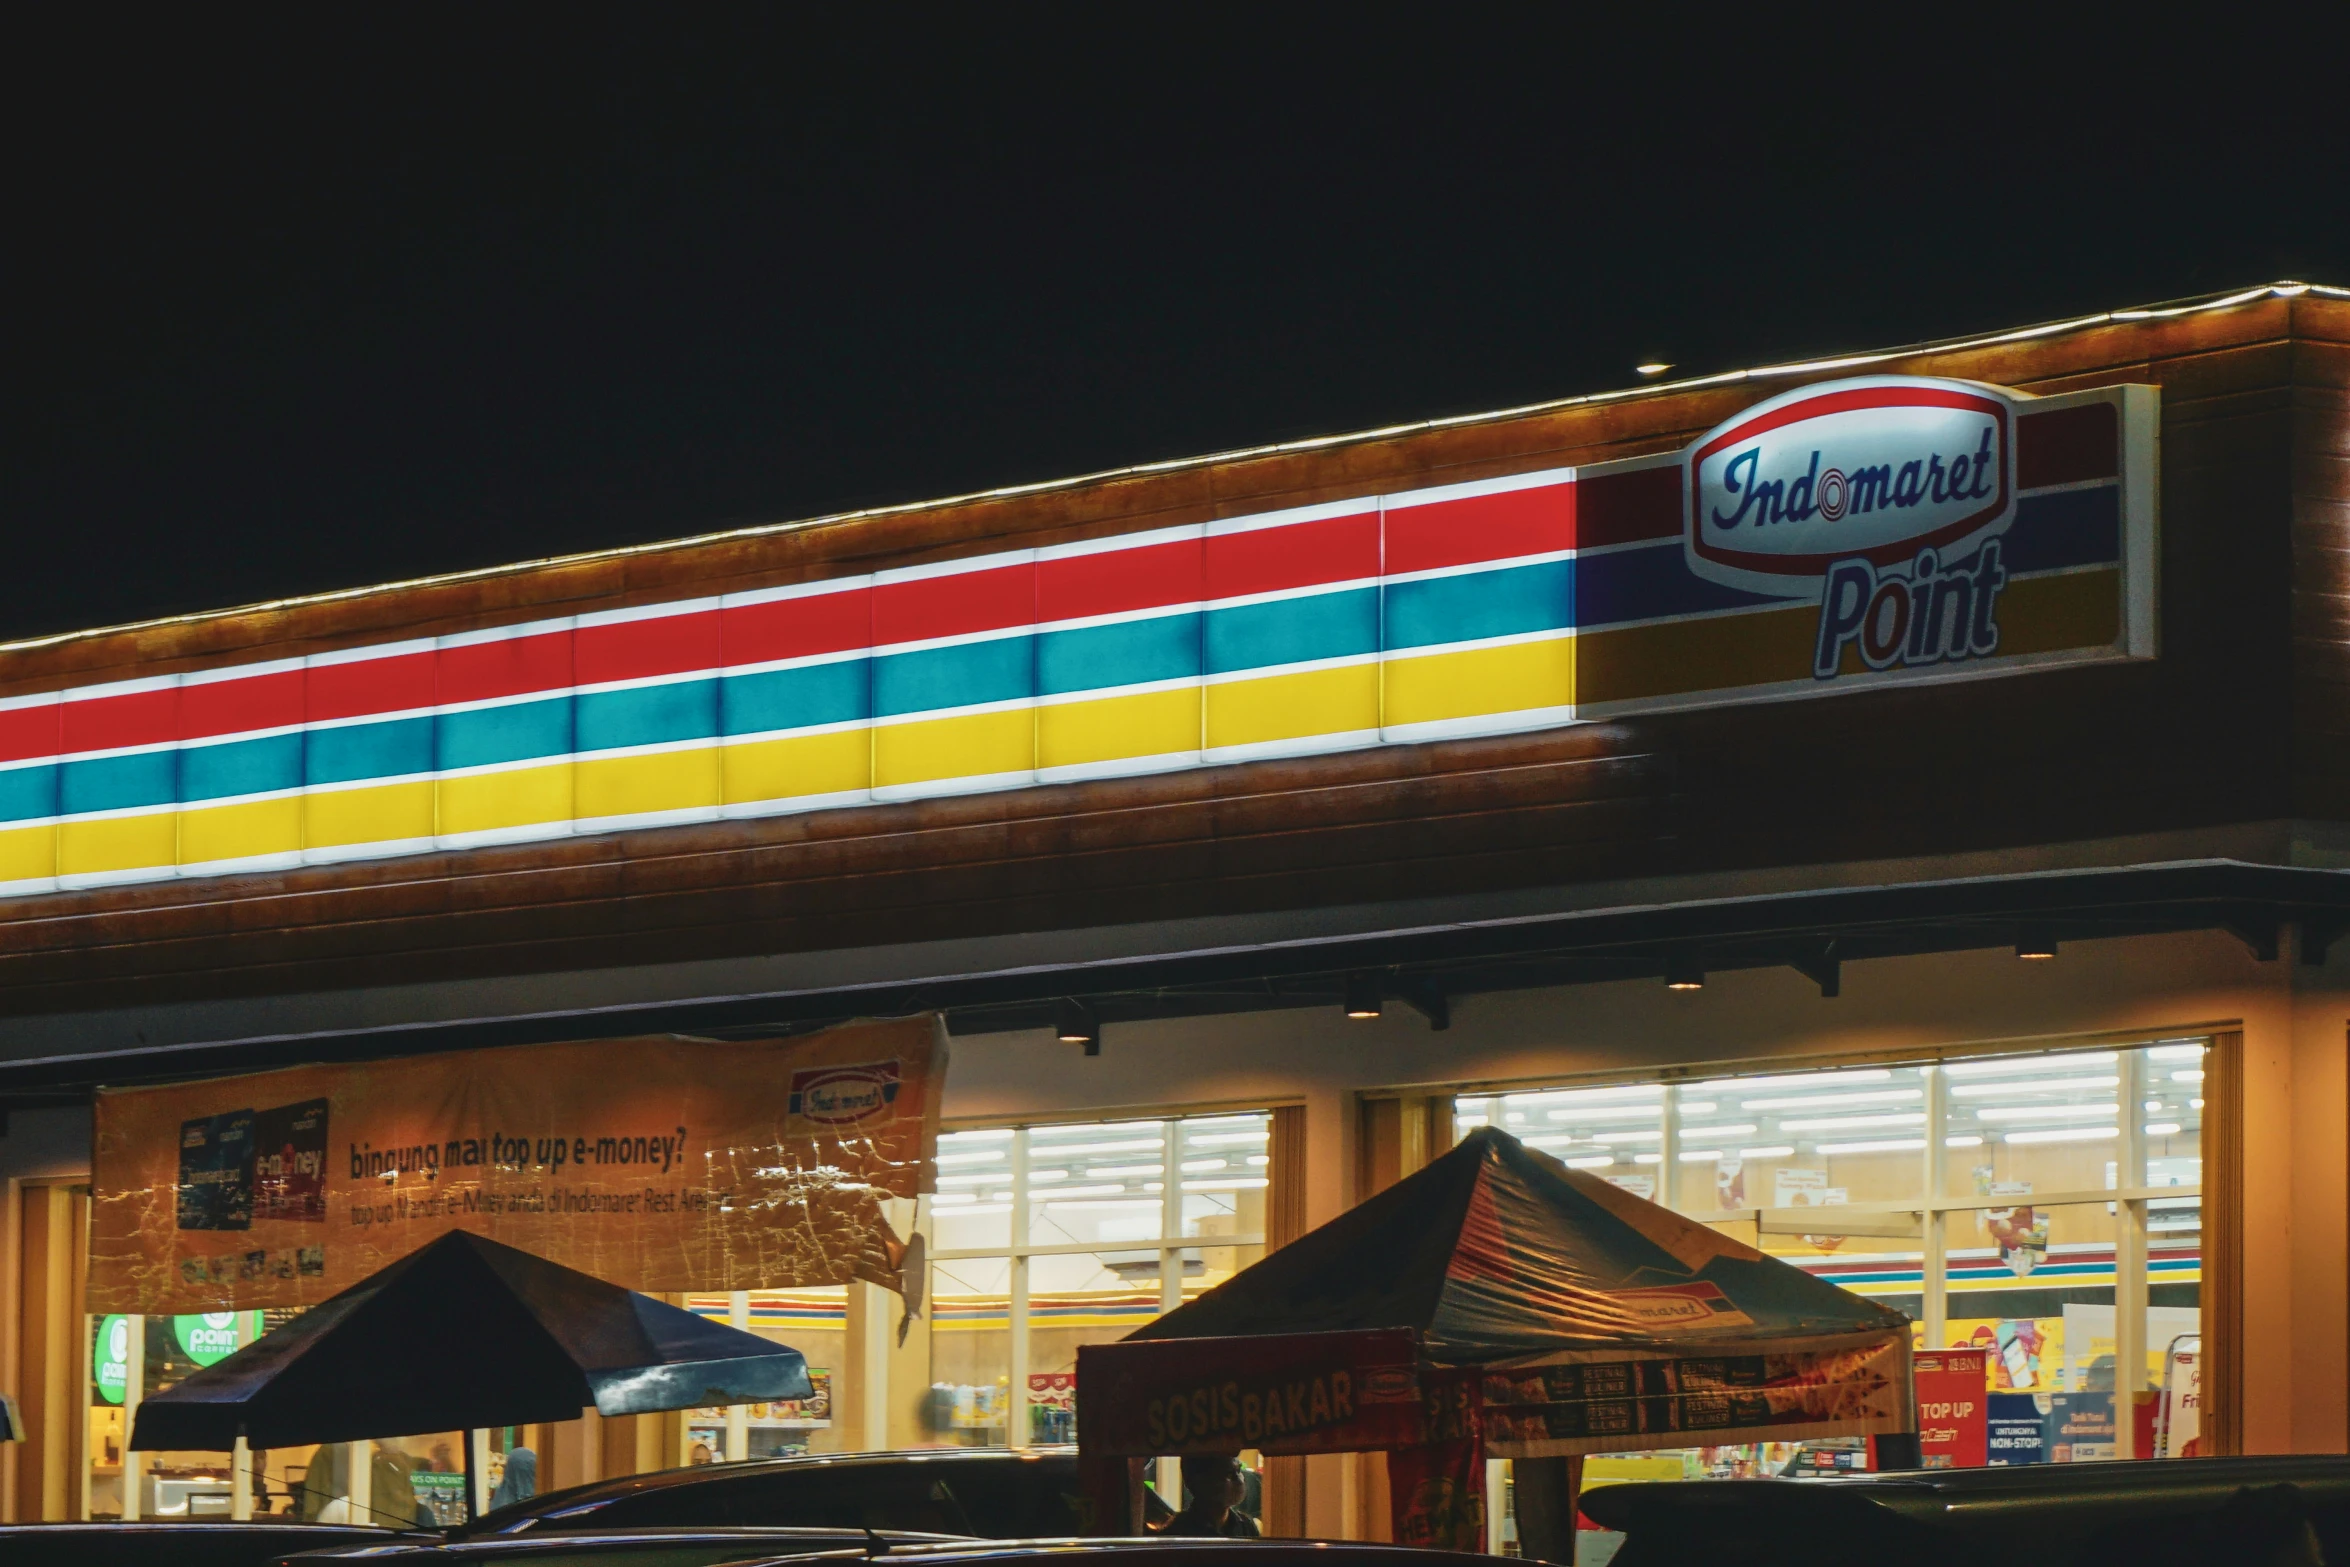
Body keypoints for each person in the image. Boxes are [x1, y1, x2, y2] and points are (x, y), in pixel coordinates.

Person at [1164, 1454, 1260, 1538]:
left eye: (1238, 1471)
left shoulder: (1246, 1526)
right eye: (1228, 1473)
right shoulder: (1178, 1531)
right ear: (1201, 1481)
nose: (1239, 1480)